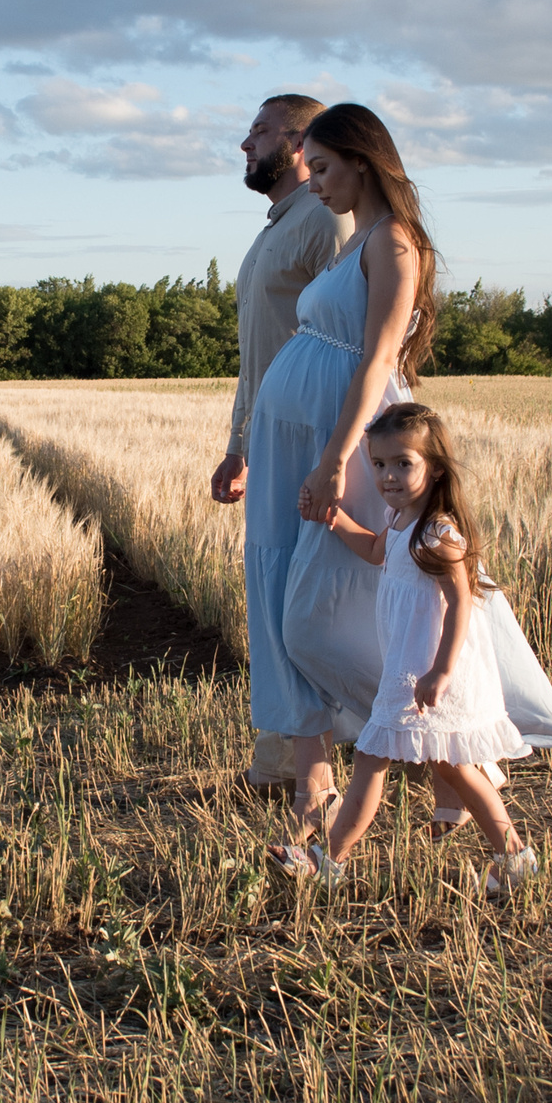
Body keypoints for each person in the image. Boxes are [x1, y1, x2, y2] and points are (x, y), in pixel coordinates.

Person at [265, 403, 552, 897]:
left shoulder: (439, 535)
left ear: (433, 467)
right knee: (449, 766)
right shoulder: (399, 521)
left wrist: (441, 671)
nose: (388, 476)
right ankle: (514, 855)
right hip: (406, 669)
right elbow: (375, 551)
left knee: (376, 756)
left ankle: (327, 860)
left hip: (424, 674)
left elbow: (461, 606)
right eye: (379, 464)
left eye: (402, 464)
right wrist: (332, 518)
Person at [242, 102, 444, 846]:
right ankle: (311, 779)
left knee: (325, 609)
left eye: (323, 167)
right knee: (277, 594)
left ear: (363, 160)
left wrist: (335, 459)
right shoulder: (355, 237)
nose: (314, 181)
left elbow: (378, 360)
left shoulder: (392, 243)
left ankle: (438, 744)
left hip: (338, 437)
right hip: (292, 436)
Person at [211, 94, 351, 790]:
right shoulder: (276, 229)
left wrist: (343, 452)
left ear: (300, 142)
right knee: (274, 591)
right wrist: (237, 443)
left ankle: (413, 748)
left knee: (318, 594)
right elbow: (256, 353)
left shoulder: (327, 222)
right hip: (270, 438)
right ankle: (283, 758)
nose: (245, 143)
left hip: (313, 438)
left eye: (260, 131)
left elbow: (351, 334)